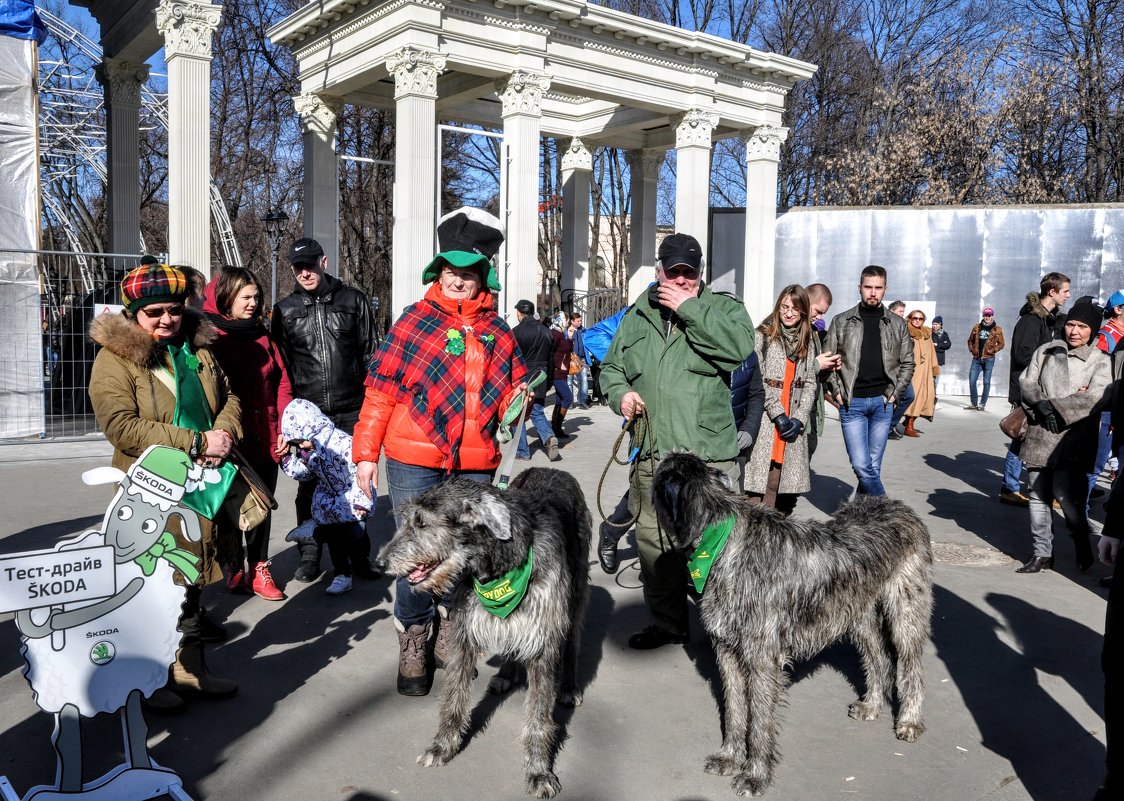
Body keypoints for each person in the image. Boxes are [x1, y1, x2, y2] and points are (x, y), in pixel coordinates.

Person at [352, 207, 527, 695]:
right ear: (439, 273)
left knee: (464, 551)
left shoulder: (499, 332)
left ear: (481, 279)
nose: (457, 280)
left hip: (476, 461)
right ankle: (414, 631)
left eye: (467, 274)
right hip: (413, 458)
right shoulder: (413, 322)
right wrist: (365, 455)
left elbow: (513, 390)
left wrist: (519, 398)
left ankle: (451, 624)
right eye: (450, 271)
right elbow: (381, 391)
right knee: (416, 553)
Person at [88, 263, 242, 710]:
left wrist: (225, 434)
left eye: (174, 310)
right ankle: (149, 679)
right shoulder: (114, 359)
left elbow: (228, 395)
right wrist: (196, 441)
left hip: (203, 484)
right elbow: (122, 427)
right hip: (149, 491)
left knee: (190, 578)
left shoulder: (198, 350)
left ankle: (190, 669)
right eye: (154, 312)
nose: (166, 320)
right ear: (134, 312)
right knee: (151, 587)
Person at [599, 232, 755, 649]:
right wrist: (621, 395)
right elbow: (611, 369)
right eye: (675, 272)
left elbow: (739, 348)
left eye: (690, 273)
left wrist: (689, 309)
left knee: (718, 546)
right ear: (659, 271)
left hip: (706, 457)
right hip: (651, 453)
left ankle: (733, 631)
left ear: (700, 274)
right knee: (653, 544)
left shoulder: (723, 308)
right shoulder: (637, 315)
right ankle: (669, 625)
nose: (682, 279)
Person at [271, 237, 378, 583]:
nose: (305, 272)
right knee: (309, 488)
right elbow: (282, 368)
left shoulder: (353, 301)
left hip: (351, 411)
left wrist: (373, 410)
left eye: (310, 264)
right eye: (298, 267)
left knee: (356, 485)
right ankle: (310, 555)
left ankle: (359, 555)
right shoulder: (285, 310)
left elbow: (371, 355)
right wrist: (287, 422)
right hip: (309, 416)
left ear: (324, 261)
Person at [203, 265, 291, 602]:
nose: (253, 303)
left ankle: (259, 568)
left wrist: (285, 427)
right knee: (227, 507)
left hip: (265, 434)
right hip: (227, 437)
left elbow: (281, 383)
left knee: (261, 505)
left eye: (256, 297)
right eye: (246, 297)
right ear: (227, 297)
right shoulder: (210, 337)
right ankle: (232, 564)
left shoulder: (262, 334)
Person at [1015, 297, 1110, 574]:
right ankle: (1042, 553)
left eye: (1082, 326)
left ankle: (1081, 539)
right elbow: (1027, 382)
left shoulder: (1099, 360)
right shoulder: (1045, 351)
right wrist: (1042, 407)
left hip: (1074, 441)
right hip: (1041, 434)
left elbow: (1097, 397)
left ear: (1092, 329)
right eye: (1070, 324)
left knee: (1070, 502)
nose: (1074, 331)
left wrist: (1057, 408)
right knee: (1038, 496)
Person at [822, 265, 914, 496]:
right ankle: (887, 510)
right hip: (852, 404)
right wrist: (836, 390)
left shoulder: (897, 323)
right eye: (868, 287)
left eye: (878, 288)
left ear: (885, 289)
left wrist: (896, 392)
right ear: (860, 288)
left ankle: (865, 523)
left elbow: (908, 362)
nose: (872, 293)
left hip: (883, 403)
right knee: (862, 465)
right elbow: (827, 359)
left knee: (873, 467)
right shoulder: (842, 321)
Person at [280, 399, 373, 596]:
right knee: (337, 540)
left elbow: (360, 471)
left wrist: (361, 501)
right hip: (329, 500)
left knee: (355, 534)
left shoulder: (342, 443)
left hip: (353, 499)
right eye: (296, 443)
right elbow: (305, 474)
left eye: (300, 440)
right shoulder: (310, 450)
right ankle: (342, 575)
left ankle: (315, 532)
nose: (301, 446)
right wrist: (287, 458)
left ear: (311, 428)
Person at [743, 285, 820, 514]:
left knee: (780, 485)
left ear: (803, 312)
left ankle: (774, 539)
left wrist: (798, 418)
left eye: (795, 309)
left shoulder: (808, 339)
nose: (788, 313)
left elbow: (809, 382)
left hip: (792, 423)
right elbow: (758, 381)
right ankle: (753, 540)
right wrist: (779, 414)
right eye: (784, 307)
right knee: (755, 489)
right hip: (767, 421)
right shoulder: (763, 336)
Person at [1002, 272, 1072, 506]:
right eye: (1065, 291)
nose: (1068, 295)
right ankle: (1010, 488)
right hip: (1027, 388)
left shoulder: (1052, 320)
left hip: (1043, 389)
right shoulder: (1031, 320)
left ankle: (1037, 489)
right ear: (1052, 292)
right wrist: (1049, 354)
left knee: (1037, 440)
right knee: (1020, 436)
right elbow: (1022, 356)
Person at [512, 299, 561, 461]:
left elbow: (511, 359)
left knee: (517, 415)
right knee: (537, 410)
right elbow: (551, 358)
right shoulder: (547, 331)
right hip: (541, 374)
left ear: (519, 313)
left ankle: (523, 451)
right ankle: (548, 438)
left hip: (522, 376)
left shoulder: (516, 332)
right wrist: (549, 381)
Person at [805, 283, 841, 458]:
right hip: (796, 412)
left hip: (811, 406)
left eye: (823, 314)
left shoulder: (814, 332)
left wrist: (828, 367)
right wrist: (818, 364)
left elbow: (816, 372)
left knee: (809, 450)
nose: (819, 318)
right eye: (817, 311)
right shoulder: (791, 331)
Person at [901, 309, 939, 437]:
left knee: (925, 397)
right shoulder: (905, 332)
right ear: (910, 319)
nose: (917, 321)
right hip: (912, 371)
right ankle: (909, 425)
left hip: (926, 372)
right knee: (913, 397)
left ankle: (908, 422)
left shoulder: (926, 334)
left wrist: (934, 368)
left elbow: (932, 353)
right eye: (915, 318)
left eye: (920, 319)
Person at [885, 300, 915, 440]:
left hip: (902, 369)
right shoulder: (884, 325)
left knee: (908, 396)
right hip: (890, 369)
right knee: (889, 398)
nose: (902, 315)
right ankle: (887, 427)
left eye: (903, 312)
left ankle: (889, 426)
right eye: (900, 312)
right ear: (891, 311)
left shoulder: (902, 325)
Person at [966, 307, 1004, 411]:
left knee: (986, 382)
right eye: (986, 315)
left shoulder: (997, 329)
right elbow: (970, 340)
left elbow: (1001, 344)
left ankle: (982, 404)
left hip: (989, 359)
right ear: (983, 316)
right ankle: (974, 403)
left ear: (992, 316)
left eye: (989, 315)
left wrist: (993, 350)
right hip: (976, 359)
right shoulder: (977, 327)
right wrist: (972, 350)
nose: (987, 317)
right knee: (972, 380)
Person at [549, 311, 576, 440]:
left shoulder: (560, 334)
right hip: (557, 373)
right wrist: (557, 365)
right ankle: (557, 426)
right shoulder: (555, 334)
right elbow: (550, 352)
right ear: (559, 320)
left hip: (562, 373)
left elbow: (566, 350)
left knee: (560, 399)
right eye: (566, 320)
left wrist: (570, 338)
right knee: (567, 397)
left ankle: (555, 427)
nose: (567, 322)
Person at [567, 312, 590, 409]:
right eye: (578, 321)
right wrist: (569, 335)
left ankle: (582, 400)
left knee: (583, 380)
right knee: (569, 382)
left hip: (582, 359)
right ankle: (569, 402)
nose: (580, 322)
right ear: (572, 321)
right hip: (570, 359)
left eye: (580, 320)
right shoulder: (567, 331)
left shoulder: (583, 330)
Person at [931, 315, 952, 396]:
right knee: (930, 379)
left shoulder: (944, 334)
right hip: (931, 360)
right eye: (933, 324)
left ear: (940, 325)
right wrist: (941, 346)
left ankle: (933, 396)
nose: (934, 326)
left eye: (936, 324)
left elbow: (948, 345)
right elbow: (930, 346)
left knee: (936, 380)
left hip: (939, 361)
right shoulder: (930, 333)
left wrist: (937, 345)